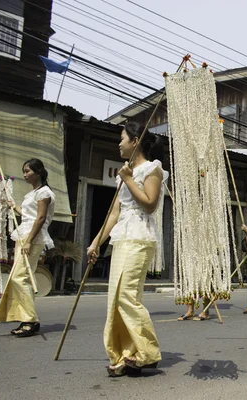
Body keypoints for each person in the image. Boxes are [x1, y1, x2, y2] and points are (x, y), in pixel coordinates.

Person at [87, 121, 167, 376]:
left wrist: (129, 179)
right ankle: (125, 353)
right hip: (123, 237)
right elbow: (113, 213)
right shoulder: (125, 173)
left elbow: (150, 204)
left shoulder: (151, 169)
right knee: (116, 298)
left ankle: (148, 352)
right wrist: (95, 243)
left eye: (122, 138)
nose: (118, 143)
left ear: (135, 141)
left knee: (127, 296)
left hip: (140, 237)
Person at [0, 159, 55, 337]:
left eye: (27, 171)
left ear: (38, 172)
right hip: (25, 234)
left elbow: (41, 218)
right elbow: (29, 215)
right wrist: (15, 207)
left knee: (19, 278)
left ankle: (30, 320)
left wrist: (29, 241)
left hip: (33, 238)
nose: (24, 174)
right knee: (22, 277)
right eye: (23, 171)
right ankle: (27, 319)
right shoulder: (33, 193)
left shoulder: (44, 192)